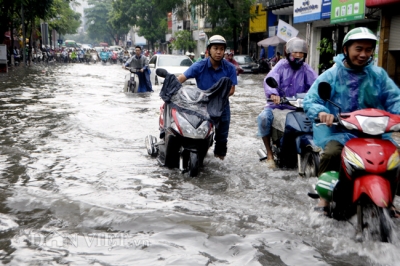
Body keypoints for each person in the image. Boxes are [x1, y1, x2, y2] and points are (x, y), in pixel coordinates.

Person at [303, 27, 400, 214]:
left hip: (375, 133)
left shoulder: (379, 76)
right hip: (341, 132)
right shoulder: (331, 74)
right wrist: (322, 112)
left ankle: (390, 196)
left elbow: (395, 98)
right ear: (346, 49)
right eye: (359, 49)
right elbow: (311, 99)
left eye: (368, 49)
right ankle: (325, 197)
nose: (364, 54)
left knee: (396, 157)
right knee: (331, 153)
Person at [257, 37, 318, 168]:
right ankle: (269, 153)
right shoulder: (281, 65)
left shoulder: (307, 69)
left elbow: (316, 85)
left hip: (298, 107)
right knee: (263, 118)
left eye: (301, 53)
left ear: (305, 54)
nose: (298, 55)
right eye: (295, 52)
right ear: (288, 53)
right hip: (278, 105)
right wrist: (273, 94)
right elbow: (270, 78)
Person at [177, 35, 237, 160]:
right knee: (196, 131)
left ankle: (219, 161)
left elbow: (231, 89)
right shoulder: (199, 65)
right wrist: (171, 88)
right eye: (215, 48)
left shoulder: (230, 68)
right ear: (209, 49)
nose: (219, 52)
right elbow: (181, 79)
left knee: (222, 139)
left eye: (221, 49)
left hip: (222, 106)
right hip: (202, 106)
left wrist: (218, 97)